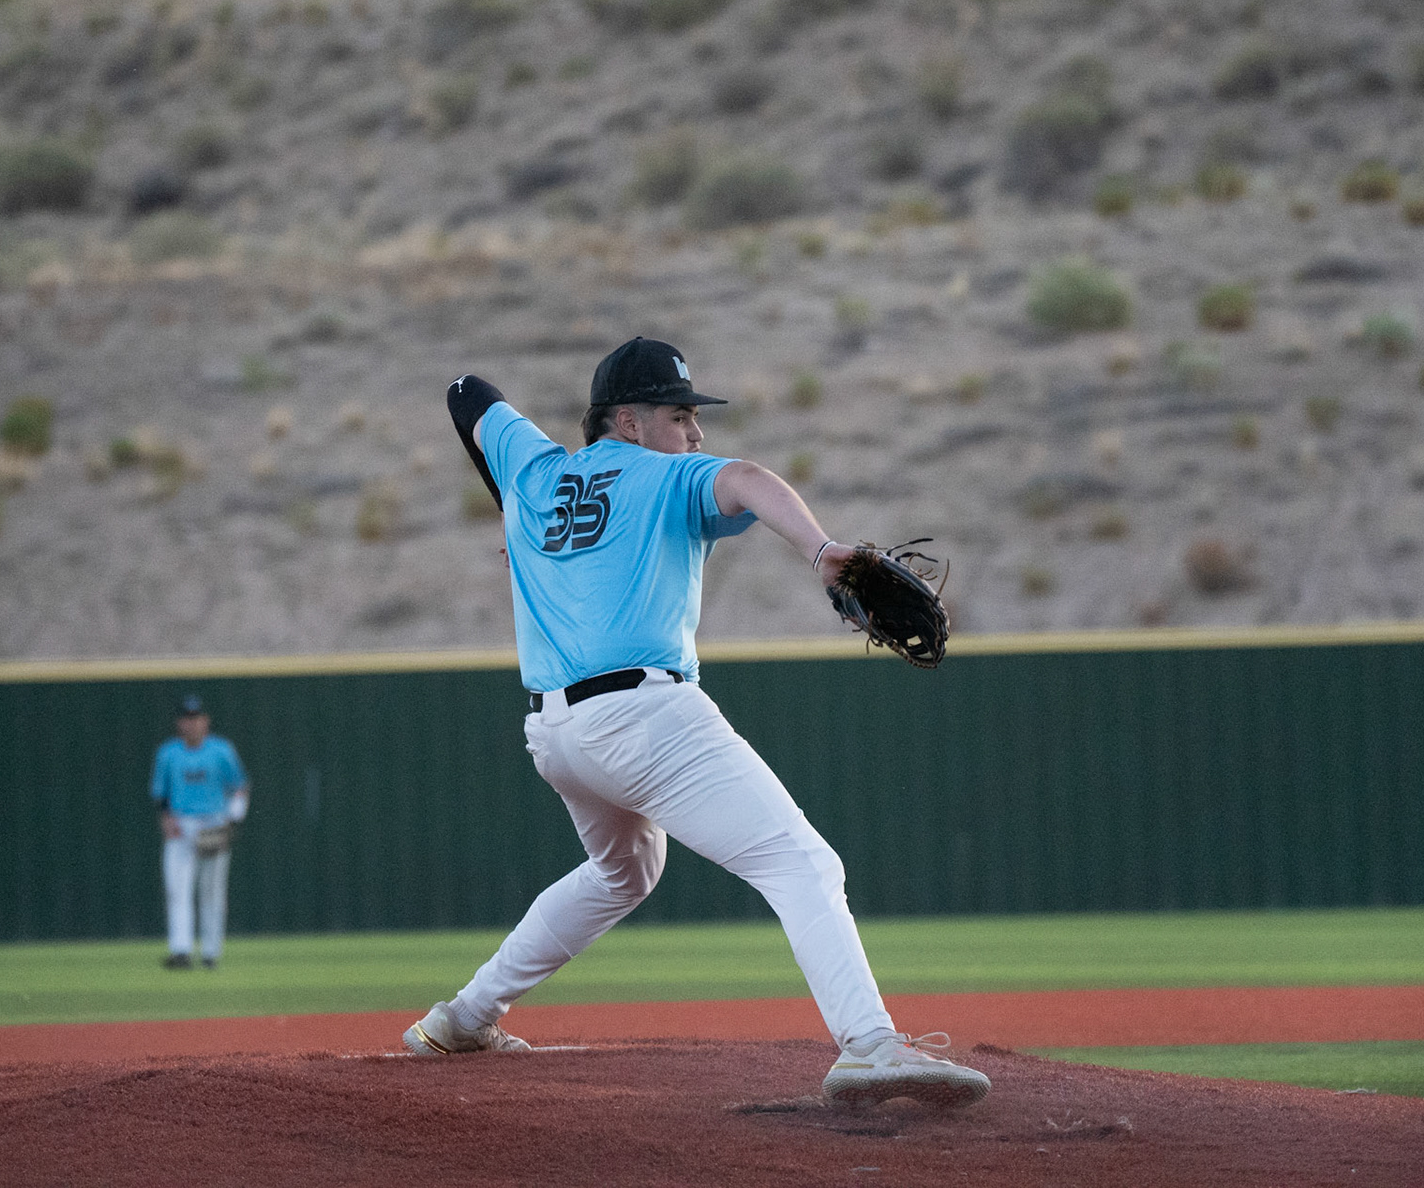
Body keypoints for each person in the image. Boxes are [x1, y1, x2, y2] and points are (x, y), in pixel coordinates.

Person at [406, 338, 990, 1108]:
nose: (695, 431)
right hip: (645, 718)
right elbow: (746, 480)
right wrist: (819, 548)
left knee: (624, 872)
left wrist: (515, 498)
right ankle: (871, 1046)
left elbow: (465, 391)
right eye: (679, 414)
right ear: (628, 421)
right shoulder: (663, 475)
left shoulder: (533, 470)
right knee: (800, 863)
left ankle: (463, 1018)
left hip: (556, 735)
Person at [150, 694, 249, 970]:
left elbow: (239, 786)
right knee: (177, 890)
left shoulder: (221, 751)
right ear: (179, 723)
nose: (191, 724)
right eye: (186, 718)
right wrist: (166, 818)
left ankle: (210, 952)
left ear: (206, 721)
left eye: (196, 718)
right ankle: (181, 950)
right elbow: (160, 793)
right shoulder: (168, 753)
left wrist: (233, 819)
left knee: (212, 891)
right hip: (181, 826)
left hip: (213, 824)